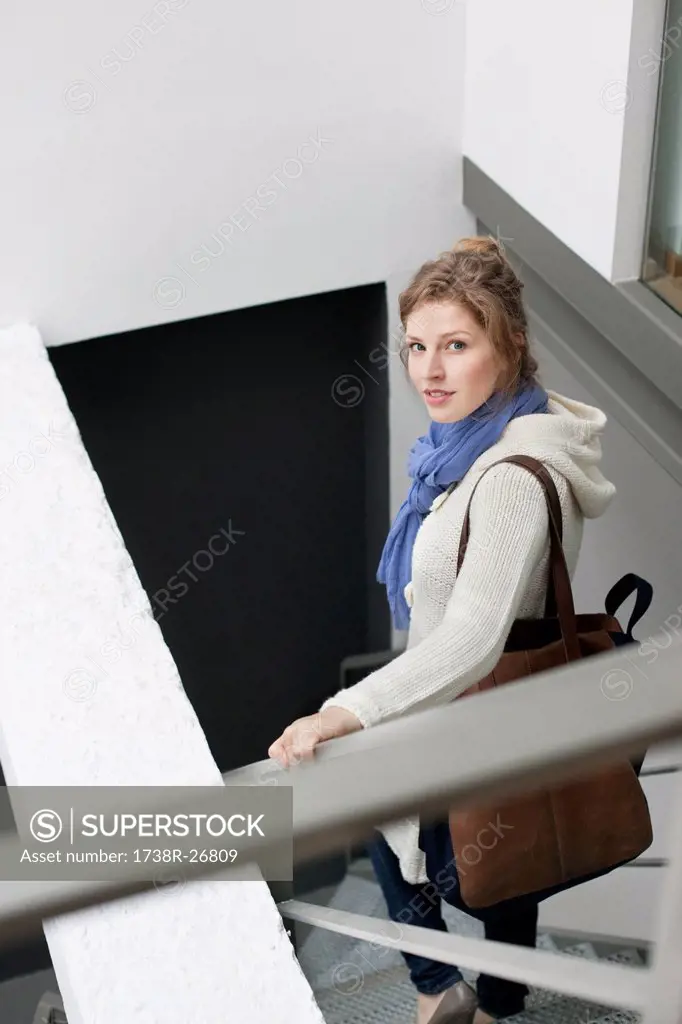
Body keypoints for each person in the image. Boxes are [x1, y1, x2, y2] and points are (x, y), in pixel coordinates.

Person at [268, 236, 616, 1022]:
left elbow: (473, 637)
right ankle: (481, 996)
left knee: (457, 846)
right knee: (509, 863)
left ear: (511, 346)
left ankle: (448, 991)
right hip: (482, 713)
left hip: (473, 713)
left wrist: (343, 710)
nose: (428, 369)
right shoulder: (469, 446)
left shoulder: (508, 478)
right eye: (417, 346)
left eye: (456, 345)